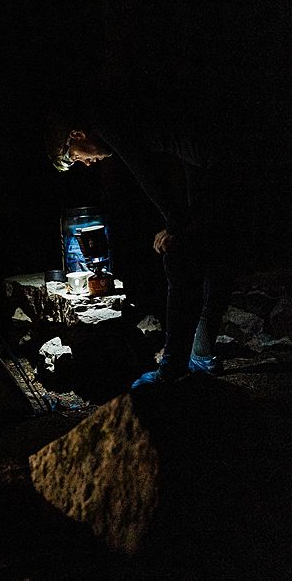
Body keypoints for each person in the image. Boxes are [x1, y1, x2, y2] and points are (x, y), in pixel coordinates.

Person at [47, 117, 239, 387]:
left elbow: (148, 173)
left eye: (76, 156)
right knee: (211, 251)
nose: (86, 163)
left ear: (77, 134)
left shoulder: (110, 124)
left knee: (179, 257)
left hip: (221, 156)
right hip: (207, 160)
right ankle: (201, 353)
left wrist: (175, 225)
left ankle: (173, 368)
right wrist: (185, 219)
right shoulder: (130, 125)